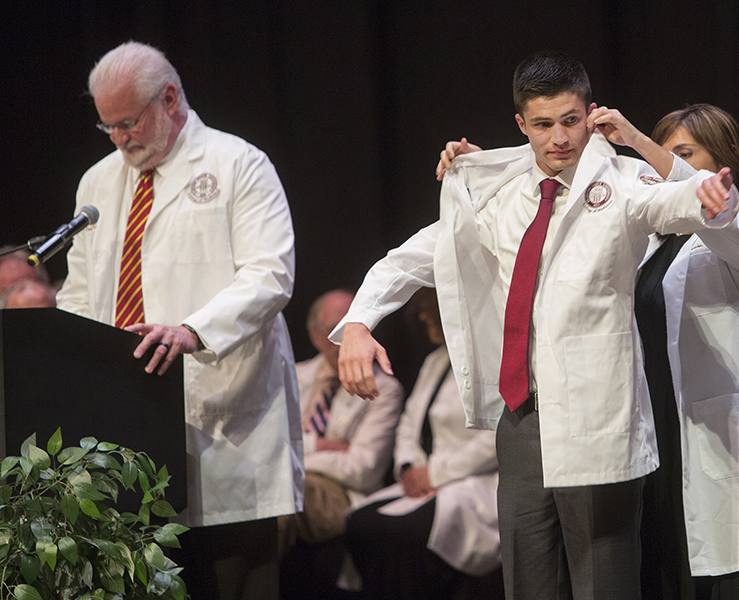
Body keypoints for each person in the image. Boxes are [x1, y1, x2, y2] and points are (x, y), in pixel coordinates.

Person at [332, 51, 738, 600]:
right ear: (522, 125)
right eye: (543, 125)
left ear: (589, 113)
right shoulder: (502, 195)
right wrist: (358, 323)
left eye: (570, 120)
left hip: (598, 416)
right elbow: (410, 258)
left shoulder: (620, 180)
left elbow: (674, 198)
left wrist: (711, 197)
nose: (560, 138)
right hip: (523, 421)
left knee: (605, 584)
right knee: (527, 581)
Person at [442, 104, 739, 599]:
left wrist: (636, 140)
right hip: (645, 435)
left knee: (724, 582)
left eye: (681, 155)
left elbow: (723, 213)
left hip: (712, 439)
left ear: (724, 163)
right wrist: (486, 170)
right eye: (660, 154)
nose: (660, 168)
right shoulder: (639, 237)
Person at [55, 41, 302, 600]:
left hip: (222, 420)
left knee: (231, 581)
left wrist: (192, 330)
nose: (120, 139)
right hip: (124, 422)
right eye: (108, 127)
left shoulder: (238, 164)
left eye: (128, 122)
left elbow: (270, 275)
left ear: (169, 98)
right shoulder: (97, 183)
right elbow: (79, 291)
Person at [343, 287, 502, 600]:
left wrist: (434, 474)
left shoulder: (494, 358)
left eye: (430, 308)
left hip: (476, 482)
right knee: (360, 522)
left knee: (408, 532)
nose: (424, 316)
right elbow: (409, 424)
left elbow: (495, 439)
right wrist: (408, 466)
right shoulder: (435, 361)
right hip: (425, 480)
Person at [279, 289, 404, 599]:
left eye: (353, 327)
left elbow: (362, 469)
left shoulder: (384, 388)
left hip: (344, 495)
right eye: (336, 329)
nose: (346, 338)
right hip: (291, 478)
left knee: (281, 492)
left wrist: (294, 452)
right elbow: (269, 448)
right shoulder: (293, 375)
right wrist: (320, 446)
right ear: (315, 335)